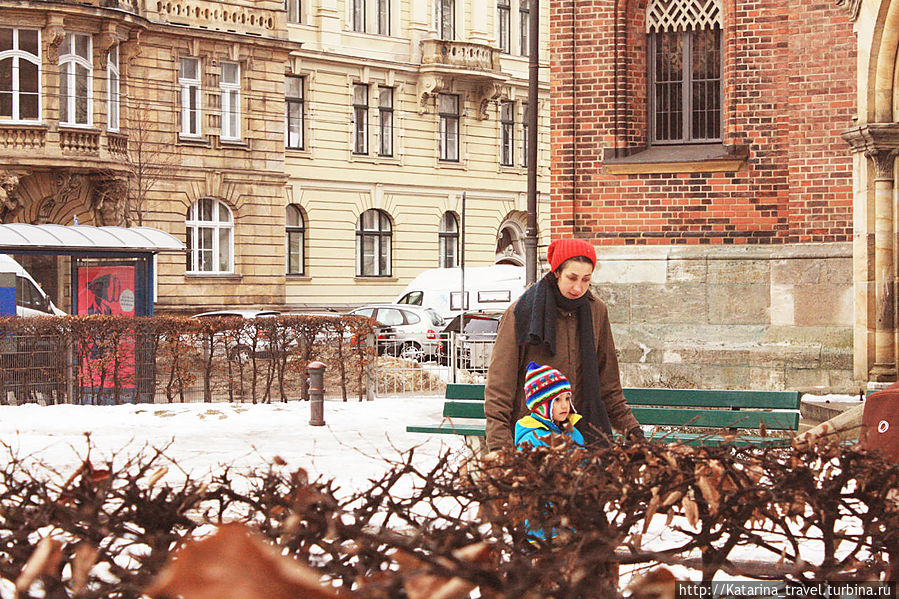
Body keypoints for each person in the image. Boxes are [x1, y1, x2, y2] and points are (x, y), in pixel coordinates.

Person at [485, 238, 644, 450]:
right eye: (572, 277)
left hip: (583, 433)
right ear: (557, 272)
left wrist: (633, 431)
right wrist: (499, 448)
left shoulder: (596, 311)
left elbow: (609, 385)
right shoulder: (522, 312)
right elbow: (499, 388)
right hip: (535, 438)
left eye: (586, 280)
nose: (578, 288)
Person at [515, 362, 584, 449]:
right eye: (557, 400)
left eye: (567, 399)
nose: (564, 406)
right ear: (541, 406)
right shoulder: (532, 440)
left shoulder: (574, 433)